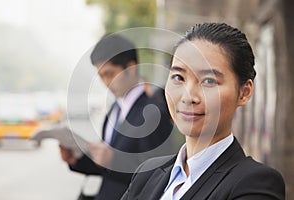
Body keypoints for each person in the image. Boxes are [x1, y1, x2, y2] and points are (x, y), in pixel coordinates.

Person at [121, 23, 285, 200]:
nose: (188, 96)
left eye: (209, 81)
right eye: (178, 77)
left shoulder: (255, 184)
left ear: (244, 93)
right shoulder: (147, 175)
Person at [59, 34, 173, 200]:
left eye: (110, 74)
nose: (106, 82)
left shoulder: (154, 111)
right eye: (101, 76)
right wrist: (76, 160)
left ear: (131, 68)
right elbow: (106, 166)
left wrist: (114, 160)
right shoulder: (115, 108)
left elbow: (156, 173)